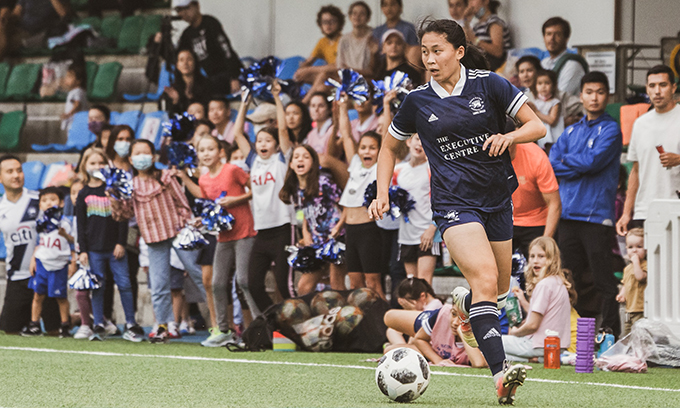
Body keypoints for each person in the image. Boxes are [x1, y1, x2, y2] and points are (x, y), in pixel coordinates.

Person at [369, 19, 545, 404]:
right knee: (485, 278)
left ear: (459, 51)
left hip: (497, 199)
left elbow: (537, 127)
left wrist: (509, 136)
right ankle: (500, 376)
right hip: (453, 204)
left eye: (438, 51)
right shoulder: (417, 100)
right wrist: (382, 192)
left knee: (498, 290)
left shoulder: (490, 84)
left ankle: (464, 307)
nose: (430, 59)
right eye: (425, 52)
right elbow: (388, 148)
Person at [110, 139, 209, 343]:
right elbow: (126, 215)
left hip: (178, 232)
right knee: (159, 284)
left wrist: (183, 226)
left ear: (153, 156)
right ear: (131, 159)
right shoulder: (130, 185)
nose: (142, 157)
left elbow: (183, 204)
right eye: (137, 154)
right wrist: (115, 199)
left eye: (145, 153)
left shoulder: (165, 177)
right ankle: (162, 326)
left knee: (198, 274)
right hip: (153, 238)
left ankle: (222, 322)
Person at [548, 72, 622, 334]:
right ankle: (573, 336)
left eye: (600, 92)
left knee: (603, 280)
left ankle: (610, 333)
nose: (594, 97)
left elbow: (593, 162)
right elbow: (552, 163)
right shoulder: (571, 131)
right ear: (581, 96)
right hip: (568, 215)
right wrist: (578, 163)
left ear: (607, 96)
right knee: (569, 280)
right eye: (589, 92)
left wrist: (569, 160)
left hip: (596, 216)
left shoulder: (611, 129)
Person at [233, 85, 294, 313]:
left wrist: (277, 97)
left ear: (276, 144)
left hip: (283, 228)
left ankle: (299, 323)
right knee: (253, 285)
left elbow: (283, 130)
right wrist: (244, 103)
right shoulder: (254, 161)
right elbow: (238, 134)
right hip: (262, 231)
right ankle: (274, 321)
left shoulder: (282, 159)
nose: (262, 145)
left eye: (267, 141)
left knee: (284, 285)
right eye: (259, 141)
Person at [75, 148, 144, 342]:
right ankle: (98, 322)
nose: (97, 167)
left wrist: (121, 242)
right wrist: (83, 250)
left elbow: (122, 219)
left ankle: (130, 322)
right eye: (93, 163)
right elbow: (81, 225)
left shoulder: (113, 190)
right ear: (85, 166)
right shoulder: (83, 193)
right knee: (98, 286)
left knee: (124, 284)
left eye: (101, 163)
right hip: (94, 250)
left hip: (115, 248)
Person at [196, 135, 256, 347]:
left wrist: (235, 200)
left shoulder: (232, 170)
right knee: (217, 283)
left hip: (245, 232)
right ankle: (223, 331)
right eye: (202, 150)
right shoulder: (203, 180)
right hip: (223, 236)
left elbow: (255, 189)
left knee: (244, 281)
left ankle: (260, 328)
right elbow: (211, 207)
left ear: (220, 151)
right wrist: (201, 220)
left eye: (210, 149)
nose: (206, 154)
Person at [0, 155, 61, 335]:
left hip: (45, 272)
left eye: (19, 170)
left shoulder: (39, 200)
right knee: (9, 331)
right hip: (17, 277)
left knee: (54, 330)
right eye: (10, 171)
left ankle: (76, 318)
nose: (16, 175)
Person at [616, 65, 680, 236]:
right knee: (647, 255)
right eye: (652, 86)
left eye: (663, 85)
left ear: (673, 87)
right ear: (647, 89)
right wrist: (626, 213)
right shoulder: (640, 124)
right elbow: (635, 171)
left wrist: (679, 159)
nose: (657, 91)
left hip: (676, 206)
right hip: (645, 209)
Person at [279, 145, 346, 295]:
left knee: (336, 285)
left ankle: (343, 310)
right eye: (296, 157)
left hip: (335, 240)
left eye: (306, 157)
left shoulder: (323, 182)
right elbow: (302, 213)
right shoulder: (295, 189)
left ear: (313, 163)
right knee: (304, 287)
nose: (300, 160)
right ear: (291, 164)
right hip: (315, 243)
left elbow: (347, 205)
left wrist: (339, 227)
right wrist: (305, 232)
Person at [504, 237, 572, 361]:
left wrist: (515, 332)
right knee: (500, 354)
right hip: (557, 346)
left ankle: (533, 358)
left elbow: (533, 325)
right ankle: (534, 359)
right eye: (532, 256)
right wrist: (523, 301)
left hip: (539, 343)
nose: (535, 261)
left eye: (541, 256)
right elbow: (542, 314)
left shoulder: (544, 285)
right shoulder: (557, 282)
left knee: (491, 343)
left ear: (552, 259)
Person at [20, 187, 75, 337]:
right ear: (40, 204)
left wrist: (72, 260)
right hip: (42, 263)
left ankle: (65, 326)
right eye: (44, 200)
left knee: (61, 297)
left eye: (52, 199)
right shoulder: (40, 223)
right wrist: (33, 259)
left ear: (61, 202)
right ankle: (34, 324)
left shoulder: (66, 222)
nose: (48, 203)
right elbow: (38, 243)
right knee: (38, 295)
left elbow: (73, 242)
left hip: (59, 265)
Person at [384, 303, 487, 367]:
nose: (456, 322)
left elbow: (478, 363)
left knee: (391, 351)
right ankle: (416, 335)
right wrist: (438, 361)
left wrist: (464, 332)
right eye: (454, 314)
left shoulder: (482, 331)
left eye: (463, 318)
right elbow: (419, 339)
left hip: (438, 348)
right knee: (389, 318)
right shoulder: (444, 315)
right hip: (435, 328)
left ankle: (410, 343)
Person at [394, 134, 438, 283]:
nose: (420, 144)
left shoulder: (432, 169)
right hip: (406, 234)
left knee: (424, 283)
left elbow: (442, 201)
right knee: (411, 284)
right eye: (417, 139)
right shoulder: (398, 170)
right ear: (408, 141)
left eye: (425, 140)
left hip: (427, 233)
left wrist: (432, 228)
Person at [174, 0, 242, 95]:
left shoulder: (210, 23)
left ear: (197, 6)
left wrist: (234, 77)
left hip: (226, 75)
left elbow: (227, 51)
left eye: (187, 8)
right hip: (210, 78)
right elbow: (176, 57)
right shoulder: (187, 34)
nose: (183, 13)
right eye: (179, 10)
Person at [509, 142, 561, 259]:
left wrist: (545, 241)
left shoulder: (535, 156)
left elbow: (554, 203)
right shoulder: (485, 157)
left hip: (536, 221)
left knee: (540, 265)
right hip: (505, 220)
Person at [294, 5, 344, 104]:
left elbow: (337, 66)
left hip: (341, 78)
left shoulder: (343, 41)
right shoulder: (322, 42)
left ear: (339, 23)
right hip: (328, 79)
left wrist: (309, 69)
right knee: (309, 78)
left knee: (323, 74)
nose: (328, 25)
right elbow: (308, 61)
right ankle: (293, 96)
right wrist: (301, 71)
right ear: (320, 25)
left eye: (332, 21)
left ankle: (303, 104)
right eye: (325, 22)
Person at [0, 0, 70, 60]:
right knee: (2, 26)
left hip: (34, 31)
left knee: (9, 40)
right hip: (19, 27)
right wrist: (5, 17)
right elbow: (17, 13)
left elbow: (65, 14)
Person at [541, 17, 586, 98]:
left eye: (557, 34)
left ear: (566, 38)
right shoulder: (543, 63)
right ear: (544, 38)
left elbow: (560, 97)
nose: (552, 38)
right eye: (548, 34)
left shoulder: (572, 65)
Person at [463, 0, 511, 72]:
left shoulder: (494, 22)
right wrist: (466, 21)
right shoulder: (477, 26)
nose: (470, 4)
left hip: (495, 67)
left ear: (486, 1)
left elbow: (498, 51)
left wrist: (476, 41)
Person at [615, 228, 647, 336]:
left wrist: (636, 262)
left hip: (640, 309)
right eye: (630, 247)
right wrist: (622, 294)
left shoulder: (645, 265)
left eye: (639, 247)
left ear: (646, 249)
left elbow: (640, 277)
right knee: (626, 335)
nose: (634, 250)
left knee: (639, 336)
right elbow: (626, 283)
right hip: (629, 309)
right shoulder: (627, 268)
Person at [162, 48, 211, 116]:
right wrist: (175, 101)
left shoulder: (207, 84)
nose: (185, 63)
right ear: (177, 65)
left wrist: (193, 100)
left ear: (195, 62)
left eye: (189, 59)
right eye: (181, 60)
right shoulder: (173, 89)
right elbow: (168, 115)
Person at [336, 1, 378, 78]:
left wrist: (351, 70)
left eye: (362, 14)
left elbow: (372, 70)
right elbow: (340, 66)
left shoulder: (373, 36)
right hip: (348, 78)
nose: (357, 16)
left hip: (367, 79)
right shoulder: (344, 40)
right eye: (354, 13)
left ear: (368, 18)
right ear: (350, 17)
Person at [527, 70, 563, 150]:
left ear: (554, 86)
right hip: (541, 139)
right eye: (540, 83)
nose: (543, 86)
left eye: (547, 83)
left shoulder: (555, 103)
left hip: (553, 140)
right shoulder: (536, 102)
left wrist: (536, 112)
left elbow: (552, 121)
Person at [60, 63, 88, 132]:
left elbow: (77, 104)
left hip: (76, 123)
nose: (66, 79)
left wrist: (68, 114)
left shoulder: (78, 91)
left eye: (69, 76)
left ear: (79, 80)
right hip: (73, 123)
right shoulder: (74, 91)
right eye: (66, 76)